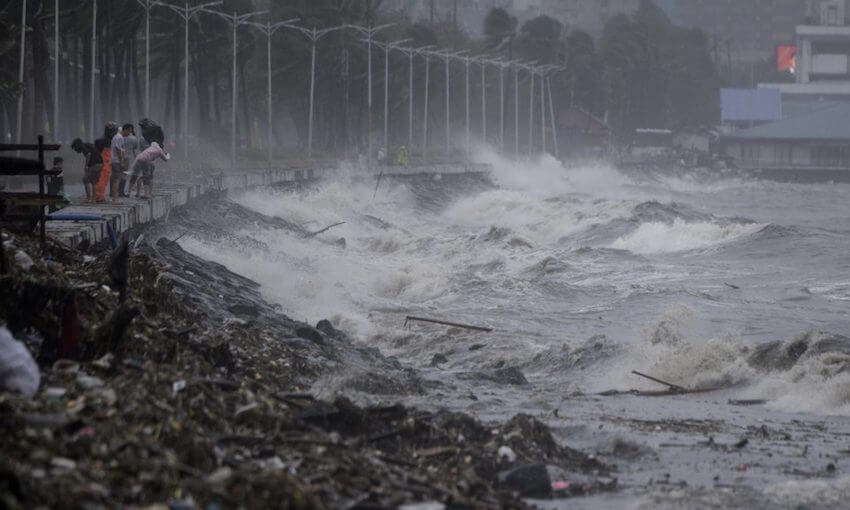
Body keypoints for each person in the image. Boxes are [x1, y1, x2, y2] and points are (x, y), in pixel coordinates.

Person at [71, 138, 102, 202]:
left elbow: (88, 154)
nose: (75, 150)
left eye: (75, 148)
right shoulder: (89, 144)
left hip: (94, 164)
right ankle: (93, 199)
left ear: (77, 145)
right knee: (94, 181)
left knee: (85, 179)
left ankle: (88, 198)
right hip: (100, 163)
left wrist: (86, 165)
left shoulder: (83, 147)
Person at [94, 123, 118, 203]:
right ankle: (99, 197)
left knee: (99, 179)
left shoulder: (99, 140)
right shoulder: (110, 141)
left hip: (98, 161)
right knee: (103, 179)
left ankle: (97, 195)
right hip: (105, 162)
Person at [120, 124, 138, 197]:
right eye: (130, 130)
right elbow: (135, 147)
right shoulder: (133, 138)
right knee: (124, 175)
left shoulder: (118, 137)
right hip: (126, 158)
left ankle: (114, 191)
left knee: (117, 175)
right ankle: (121, 192)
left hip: (118, 158)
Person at [109, 123, 126, 203]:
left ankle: (113, 198)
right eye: (128, 132)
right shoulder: (120, 137)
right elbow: (118, 149)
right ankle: (115, 200)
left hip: (112, 160)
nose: (129, 134)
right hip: (116, 161)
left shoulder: (115, 137)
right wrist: (121, 160)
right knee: (117, 180)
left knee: (113, 179)